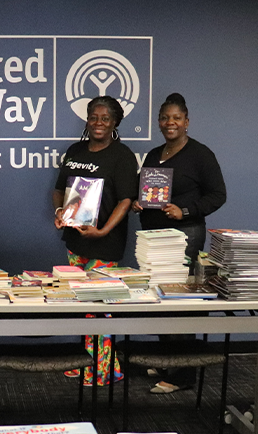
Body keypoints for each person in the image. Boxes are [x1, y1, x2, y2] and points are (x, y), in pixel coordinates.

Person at [132, 92, 227, 394]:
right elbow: (147, 192)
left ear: (187, 121)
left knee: (182, 301)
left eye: (176, 118)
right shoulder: (153, 155)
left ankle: (184, 374)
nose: (170, 122)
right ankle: (168, 360)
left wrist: (184, 210)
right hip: (154, 239)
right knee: (159, 299)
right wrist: (139, 203)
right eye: (164, 118)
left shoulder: (201, 155)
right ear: (159, 122)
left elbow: (217, 195)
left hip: (186, 235)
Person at [53, 95, 138, 386]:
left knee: (100, 306)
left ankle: (103, 369)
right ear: (87, 119)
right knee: (82, 305)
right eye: (93, 117)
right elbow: (59, 188)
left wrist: (103, 231)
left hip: (105, 242)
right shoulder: (75, 150)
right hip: (76, 240)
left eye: (105, 118)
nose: (98, 123)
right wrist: (59, 212)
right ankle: (94, 362)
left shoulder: (122, 155)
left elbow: (126, 200)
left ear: (115, 122)